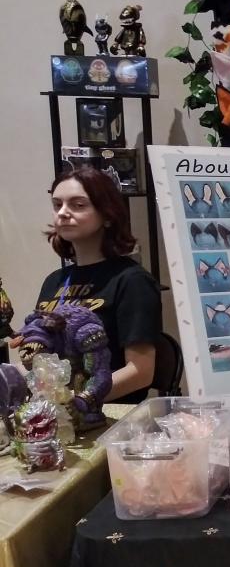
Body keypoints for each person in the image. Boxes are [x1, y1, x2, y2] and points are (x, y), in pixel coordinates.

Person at [13, 167, 161, 402]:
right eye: (57, 205)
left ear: (108, 215)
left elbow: (140, 372)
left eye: (78, 205)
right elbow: (39, 356)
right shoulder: (53, 281)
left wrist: (79, 401)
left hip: (112, 413)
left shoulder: (132, 280)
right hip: (55, 409)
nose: (63, 213)